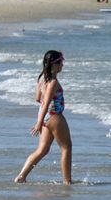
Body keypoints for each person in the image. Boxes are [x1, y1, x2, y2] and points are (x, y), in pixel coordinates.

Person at [15, 50, 72, 184]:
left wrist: (41, 120)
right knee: (66, 147)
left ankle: (21, 176)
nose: (63, 65)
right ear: (55, 64)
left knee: (42, 150)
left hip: (46, 116)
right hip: (54, 116)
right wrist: (39, 123)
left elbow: (37, 99)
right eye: (61, 62)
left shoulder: (41, 79)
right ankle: (67, 181)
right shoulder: (53, 82)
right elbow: (46, 101)